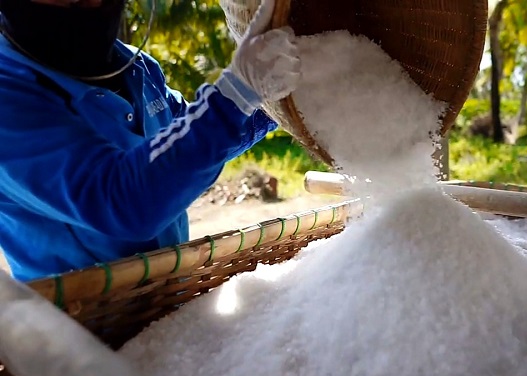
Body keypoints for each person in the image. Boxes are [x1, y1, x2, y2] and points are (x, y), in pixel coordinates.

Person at [0, 0, 301, 281]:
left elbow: (190, 138)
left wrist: (273, 103)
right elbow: (122, 202)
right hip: (78, 325)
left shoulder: (134, 67)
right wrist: (235, 97)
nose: (86, 4)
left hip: (164, 303)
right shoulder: (9, 95)